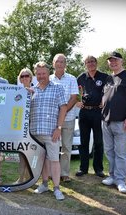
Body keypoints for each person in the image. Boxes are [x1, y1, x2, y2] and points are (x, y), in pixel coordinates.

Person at [101, 51, 126, 193]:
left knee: (121, 153)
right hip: (106, 122)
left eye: (116, 60)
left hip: (122, 122)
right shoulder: (108, 78)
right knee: (109, 151)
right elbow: (106, 97)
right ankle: (112, 176)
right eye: (110, 60)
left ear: (121, 61)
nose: (113, 62)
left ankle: (120, 180)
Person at [31, 62, 67, 201]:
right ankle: (44, 184)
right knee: (41, 160)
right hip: (35, 132)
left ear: (48, 73)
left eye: (43, 73)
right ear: (36, 74)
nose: (41, 76)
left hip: (52, 132)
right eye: (38, 74)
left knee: (54, 160)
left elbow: (63, 108)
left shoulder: (57, 88)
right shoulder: (33, 90)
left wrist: (59, 128)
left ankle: (57, 188)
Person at [75, 56, 108, 178]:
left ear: (96, 63)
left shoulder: (104, 77)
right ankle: (83, 168)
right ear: (85, 64)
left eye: (92, 61)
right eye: (88, 62)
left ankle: (98, 169)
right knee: (84, 141)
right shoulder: (81, 78)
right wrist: (77, 101)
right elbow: (74, 93)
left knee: (98, 142)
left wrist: (105, 101)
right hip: (84, 112)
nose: (90, 64)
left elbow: (110, 91)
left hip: (98, 112)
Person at [49, 53, 79, 183]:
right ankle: (51, 172)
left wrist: (64, 111)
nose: (59, 64)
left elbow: (74, 97)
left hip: (68, 117)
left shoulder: (72, 79)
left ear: (65, 64)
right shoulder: (49, 79)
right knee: (52, 146)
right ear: (53, 64)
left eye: (62, 62)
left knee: (66, 147)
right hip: (52, 119)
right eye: (57, 61)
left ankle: (65, 173)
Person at [15, 68, 33, 184]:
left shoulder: (36, 90)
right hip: (20, 126)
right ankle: (21, 178)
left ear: (31, 78)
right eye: (22, 76)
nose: (24, 78)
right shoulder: (17, 92)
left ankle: (30, 177)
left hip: (32, 125)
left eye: (27, 76)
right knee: (21, 153)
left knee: (31, 153)